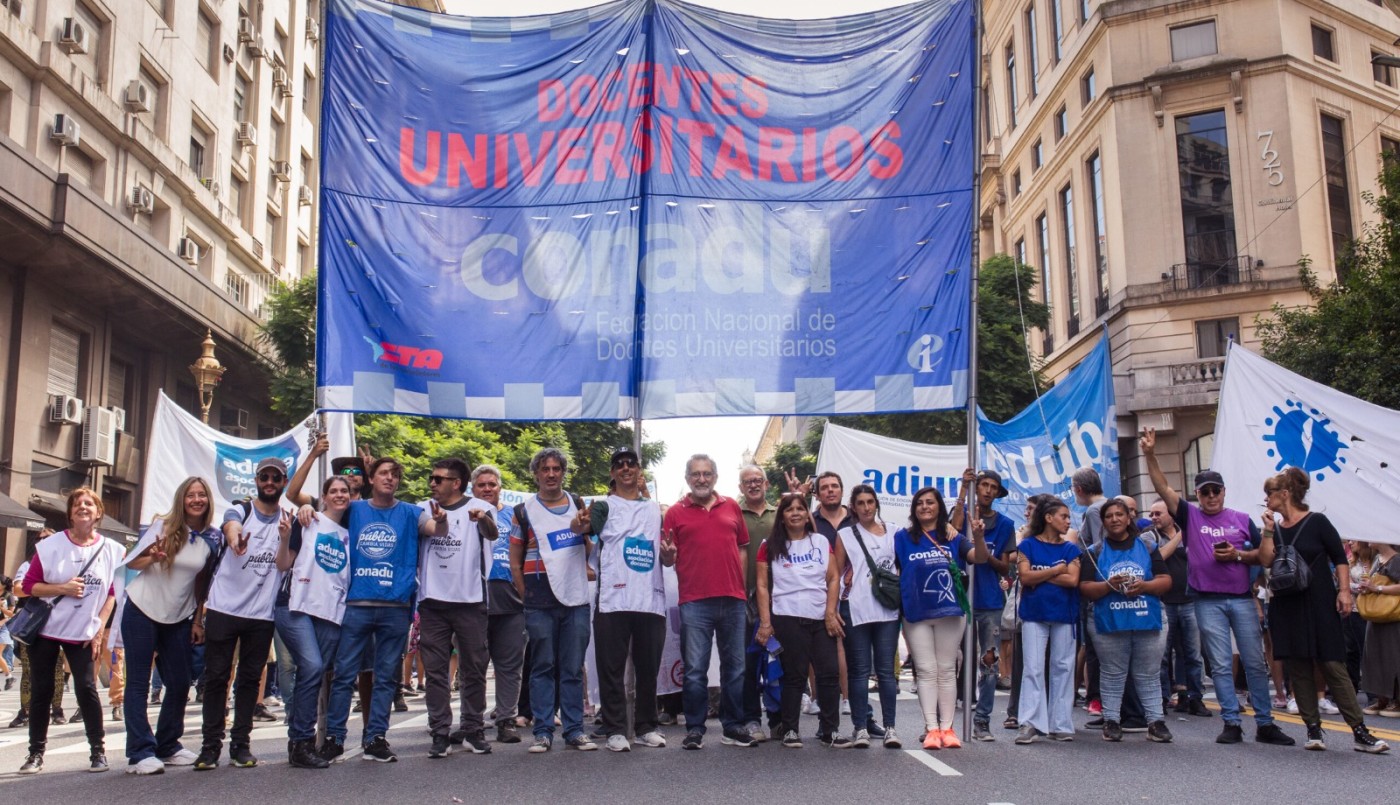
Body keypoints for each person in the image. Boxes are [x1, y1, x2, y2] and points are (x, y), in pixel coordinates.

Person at [1140, 428, 1295, 747]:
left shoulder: (1241, 519)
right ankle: (1232, 722)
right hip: (1206, 601)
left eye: (1216, 491)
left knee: (1255, 662)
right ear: (1198, 494)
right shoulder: (1190, 515)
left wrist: (1238, 555)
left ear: (1224, 492)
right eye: (1205, 492)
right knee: (1222, 664)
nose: (1211, 496)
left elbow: (1264, 556)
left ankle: (1265, 723)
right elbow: (1162, 487)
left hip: (1241, 599)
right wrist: (1150, 454)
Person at [323, 457, 445, 763]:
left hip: (396, 606)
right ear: (371, 479)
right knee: (343, 675)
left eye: (394, 475)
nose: (389, 478)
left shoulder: (411, 513)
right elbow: (319, 511)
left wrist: (442, 520)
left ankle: (375, 737)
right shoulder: (354, 509)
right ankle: (334, 738)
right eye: (383, 473)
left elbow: (436, 530)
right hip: (356, 605)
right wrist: (307, 509)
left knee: (386, 678)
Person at [1262, 468, 1388, 753]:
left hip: (1319, 600)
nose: (1266, 498)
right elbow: (1266, 559)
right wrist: (1268, 531)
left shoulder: (1317, 521)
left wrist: (1344, 591)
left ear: (1285, 494)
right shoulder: (1274, 527)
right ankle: (1313, 729)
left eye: (1270, 493)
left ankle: (1360, 732)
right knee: (1299, 665)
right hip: (1287, 603)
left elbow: (1339, 557)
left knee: (1332, 663)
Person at [17, 487, 126, 774]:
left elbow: (112, 592)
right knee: (42, 691)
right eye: (77, 504)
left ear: (99, 512)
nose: (82, 507)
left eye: (89, 503)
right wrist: (62, 588)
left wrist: (99, 628)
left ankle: (98, 751)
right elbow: (28, 586)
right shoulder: (50, 546)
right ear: (70, 513)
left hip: (84, 632)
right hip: (46, 630)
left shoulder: (113, 550)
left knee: (86, 688)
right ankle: (35, 753)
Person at [194, 459, 292, 770]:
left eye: (276, 477)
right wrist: (236, 538)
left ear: (283, 482)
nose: (269, 482)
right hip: (224, 608)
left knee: (250, 680)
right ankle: (210, 746)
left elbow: (285, 563)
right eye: (264, 476)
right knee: (216, 678)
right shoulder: (241, 510)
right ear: (256, 480)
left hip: (261, 615)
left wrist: (288, 534)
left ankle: (241, 745)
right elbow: (231, 525)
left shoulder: (286, 520)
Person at [121, 477, 221, 775]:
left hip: (179, 617)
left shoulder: (212, 538)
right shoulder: (162, 527)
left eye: (201, 495)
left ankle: (167, 745)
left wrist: (198, 620)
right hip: (142, 610)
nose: (196, 500)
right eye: (190, 495)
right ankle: (140, 752)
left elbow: (203, 584)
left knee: (179, 682)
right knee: (138, 682)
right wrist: (151, 556)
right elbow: (132, 563)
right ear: (181, 499)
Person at [660, 454, 754, 750]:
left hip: (733, 599)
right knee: (695, 670)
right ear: (687, 478)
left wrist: (741, 586)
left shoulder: (732, 506)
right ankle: (695, 728)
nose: (701, 479)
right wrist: (667, 555)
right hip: (694, 601)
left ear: (715, 477)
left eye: (707, 474)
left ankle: (733, 726)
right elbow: (667, 558)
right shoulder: (675, 513)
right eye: (696, 474)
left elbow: (742, 548)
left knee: (735, 668)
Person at [576, 446, 667, 751]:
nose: (626, 468)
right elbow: (583, 527)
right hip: (613, 598)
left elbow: (665, 550)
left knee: (648, 669)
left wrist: (669, 555)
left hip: (649, 599)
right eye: (620, 464)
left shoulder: (654, 509)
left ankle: (647, 726)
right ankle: (615, 728)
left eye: (631, 463)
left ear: (639, 470)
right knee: (611, 668)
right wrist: (579, 523)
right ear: (613, 473)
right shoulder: (604, 505)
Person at [510, 448, 596, 753]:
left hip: (575, 599)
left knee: (572, 668)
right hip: (539, 600)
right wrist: (526, 595)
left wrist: (584, 530)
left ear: (563, 472)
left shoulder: (578, 504)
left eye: (556, 468)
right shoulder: (523, 511)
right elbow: (515, 561)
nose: (550, 474)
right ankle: (543, 731)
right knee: (543, 666)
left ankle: (574, 730)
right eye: (544, 469)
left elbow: (589, 552)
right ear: (536, 474)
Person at [416, 458, 498, 758]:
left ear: (456, 483)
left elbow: (492, 534)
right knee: (436, 672)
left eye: (438, 479)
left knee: (474, 669)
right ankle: (440, 732)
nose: (432, 483)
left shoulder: (479, 507)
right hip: (432, 602)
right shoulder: (422, 508)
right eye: (432, 478)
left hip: (470, 600)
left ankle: (473, 729)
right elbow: (427, 530)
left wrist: (483, 519)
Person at [896, 486, 986, 750]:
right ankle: (931, 729)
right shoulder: (902, 538)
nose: (925, 507)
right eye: (920, 503)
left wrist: (978, 537)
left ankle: (947, 728)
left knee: (946, 669)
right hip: (916, 612)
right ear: (914, 509)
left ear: (939, 507)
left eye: (930, 502)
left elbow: (979, 558)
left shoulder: (953, 536)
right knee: (926, 670)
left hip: (950, 612)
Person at [755, 493, 848, 748]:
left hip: (820, 618)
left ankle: (829, 731)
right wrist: (766, 622)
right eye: (789, 509)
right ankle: (790, 730)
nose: (795, 513)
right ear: (782, 517)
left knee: (828, 674)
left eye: (800, 508)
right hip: (787, 617)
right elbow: (762, 585)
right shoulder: (769, 546)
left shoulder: (820, 541)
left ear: (808, 515)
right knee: (794, 676)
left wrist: (831, 613)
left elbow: (833, 578)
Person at [1079, 498, 1173, 743]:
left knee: (1149, 673)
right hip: (1109, 621)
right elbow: (1085, 587)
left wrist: (1145, 586)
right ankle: (1111, 721)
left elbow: (1165, 580)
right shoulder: (1094, 551)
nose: (1115, 519)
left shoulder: (1148, 546)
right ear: (1103, 521)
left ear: (1128, 517)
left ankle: (1156, 722)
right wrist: (1109, 585)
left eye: (1119, 514)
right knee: (1112, 672)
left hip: (1147, 618)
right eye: (1109, 516)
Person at [275, 475, 352, 769]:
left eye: (344, 491)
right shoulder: (308, 520)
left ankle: (299, 742)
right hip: (295, 606)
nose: (340, 495)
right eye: (334, 491)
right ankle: (301, 742)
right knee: (312, 667)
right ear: (324, 496)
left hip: (330, 611)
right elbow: (283, 564)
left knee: (315, 674)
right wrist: (284, 538)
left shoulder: (352, 530)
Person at [950, 469, 1018, 742]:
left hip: (989, 600)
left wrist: (981, 551)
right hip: (959, 597)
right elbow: (952, 532)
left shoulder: (1005, 524)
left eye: (993, 487)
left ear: (998, 493)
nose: (988, 490)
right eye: (984, 485)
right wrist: (962, 490)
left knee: (989, 661)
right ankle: (941, 722)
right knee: (949, 661)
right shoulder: (963, 514)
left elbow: (1005, 567)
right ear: (977, 488)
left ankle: (982, 721)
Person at [832, 484, 901, 748]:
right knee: (859, 672)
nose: (866, 507)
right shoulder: (845, 535)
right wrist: (832, 609)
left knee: (886, 672)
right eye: (860, 503)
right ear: (853, 507)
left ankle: (890, 728)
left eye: (870, 502)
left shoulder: (894, 532)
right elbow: (835, 575)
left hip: (887, 609)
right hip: (856, 608)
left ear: (876, 503)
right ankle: (860, 727)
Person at [1014, 498, 1081, 745]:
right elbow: (1024, 577)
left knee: (1063, 667)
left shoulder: (1071, 549)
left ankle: (1060, 724)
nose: (1068, 521)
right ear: (1048, 518)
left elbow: (1072, 580)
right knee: (1033, 667)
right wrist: (1055, 570)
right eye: (1064, 516)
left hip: (1065, 613)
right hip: (1034, 612)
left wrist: (1038, 575)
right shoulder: (1028, 544)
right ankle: (1029, 722)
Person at [470, 464, 526, 744]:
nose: (487, 489)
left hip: (511, 601)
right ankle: (471, 723)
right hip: (474, 600)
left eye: (492, 484)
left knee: (510, 666)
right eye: (481, 485)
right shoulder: (464, 513)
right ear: (472, 489)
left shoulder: (514, 515)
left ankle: (506, 720)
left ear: (500, 487)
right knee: (473, 667)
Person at [1147, 498, 1209, 717]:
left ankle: (1194, 698)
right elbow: (1159, 556)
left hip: (1190, 600)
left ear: (1171, 515)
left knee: (1192, 654)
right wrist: (1181, 534)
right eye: (1151, 514)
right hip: (1164, 603)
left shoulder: (1192, 533)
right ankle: (1162, 698)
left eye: (1158, 513)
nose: (1153, 517)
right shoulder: (1149, 536)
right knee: (1162, 655)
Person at [737, 464, 777, 743]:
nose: (753, 485)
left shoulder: (781, 513)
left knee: (777, 660)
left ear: (766, 483)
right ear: (740, 487)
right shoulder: (732, 513)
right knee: (748, 663)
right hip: (743, 599)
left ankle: (779, 719)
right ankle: (751, 719)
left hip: (780, 598)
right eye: (747, 481)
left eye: (757, 480)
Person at [1359, 541, 1400, 717]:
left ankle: (1396, 700)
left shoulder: (1396, 559)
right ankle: (1382, 697)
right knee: (1375, 656)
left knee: (1393, 656)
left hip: (1393, 616)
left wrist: (1377, 588)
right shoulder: (1378, 558)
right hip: (1377, 615)